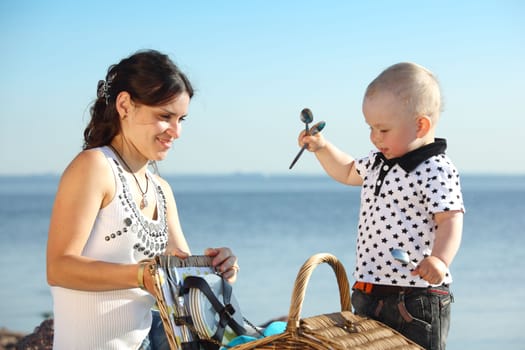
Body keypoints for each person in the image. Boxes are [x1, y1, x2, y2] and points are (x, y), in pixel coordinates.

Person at [46, 49, 240, 350]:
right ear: (125, 105)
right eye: (165, 117)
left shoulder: (161, 190)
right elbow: (59, 268)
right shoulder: (94, 167)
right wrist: (141, 275)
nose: (176, 132)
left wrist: (217, 272)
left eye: (181, 119)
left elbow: (179, 284)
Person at [297, 62, 464, 350]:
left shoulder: (435, 168)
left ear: (420, 125)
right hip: (369, 289)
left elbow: (449, 218)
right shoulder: (377, 162)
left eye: (383, 129)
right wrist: (323, 148)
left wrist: (439, 259)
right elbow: (348, 171)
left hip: (415, 296)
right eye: (371, 128)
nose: (374, 137)